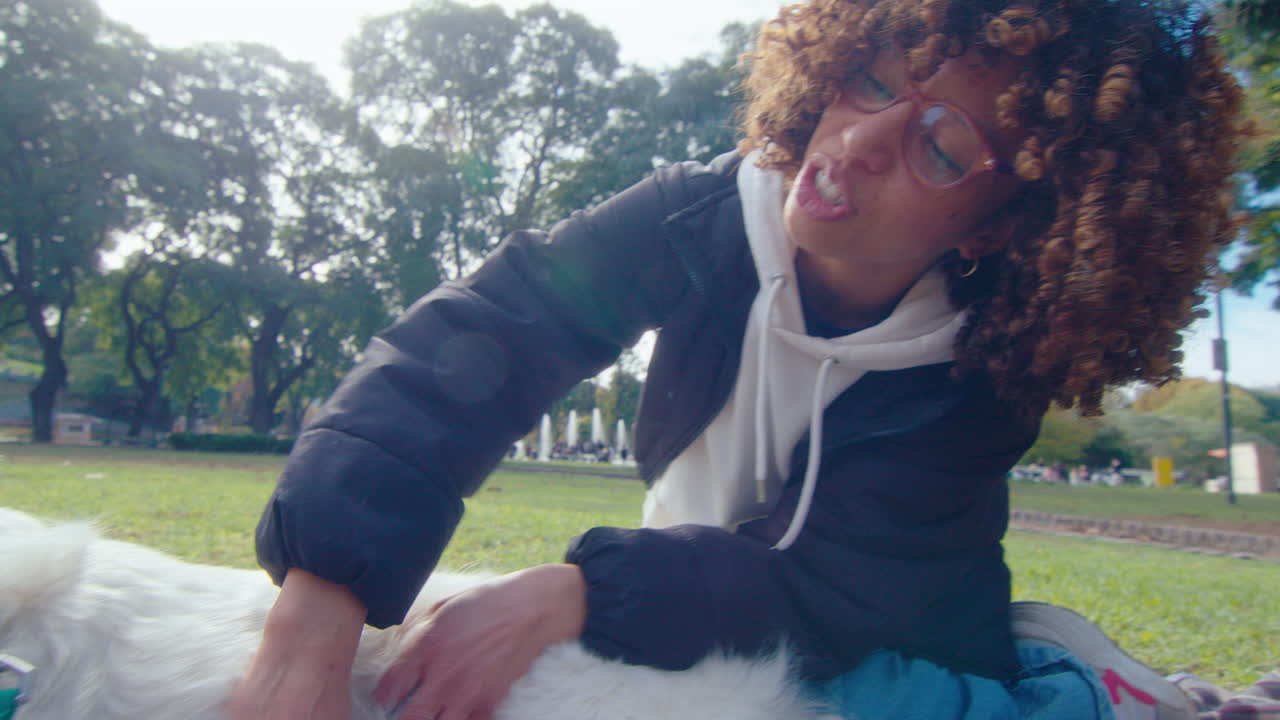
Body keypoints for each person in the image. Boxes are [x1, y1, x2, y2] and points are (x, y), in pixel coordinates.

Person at [227, 0, 1244, 718]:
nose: (855, 143)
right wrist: (313, 616)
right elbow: (476, 341)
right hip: (681, 592)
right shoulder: (695, 215)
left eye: (940, 149)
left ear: (1000, 227)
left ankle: (1100, 695)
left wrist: (575, 589)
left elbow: (824, 585)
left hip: (883, 650)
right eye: (870, 79)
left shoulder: (981, 377)